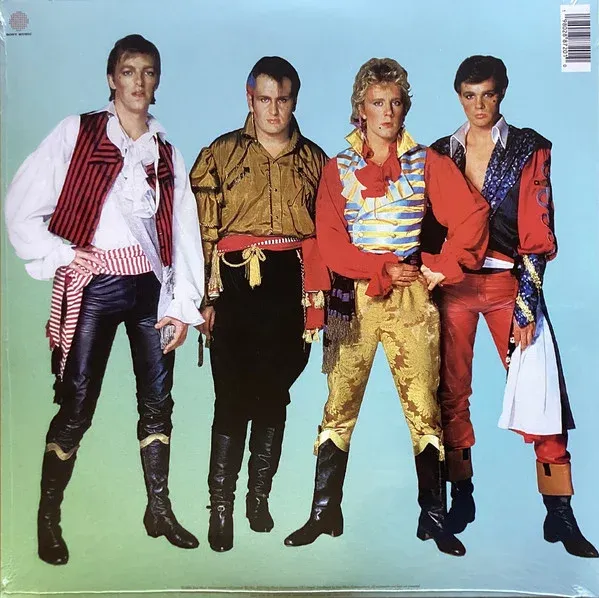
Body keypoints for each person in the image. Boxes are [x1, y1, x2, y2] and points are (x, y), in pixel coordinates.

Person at [4, 34, 205, 565]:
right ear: (112, 78)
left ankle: (158, 510)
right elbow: (21, 206)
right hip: (94, 285)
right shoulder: (79, 132)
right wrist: (62, 254)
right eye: (129, 70)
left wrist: (180, 304)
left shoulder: (166, 151)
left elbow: (184, 232)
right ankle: (48, 517)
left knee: (158, 401)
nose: (139, 81)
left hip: (150, 288)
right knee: (76, 404)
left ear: (157, 81)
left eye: (148, 71)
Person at [283, 58, 490, 556]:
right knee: (339, 405)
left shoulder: (426, 162)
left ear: (405, 107)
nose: (388, 112)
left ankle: (433, 518)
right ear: (361, 108)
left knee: (424, 407)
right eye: (378, 102)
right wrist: (380, 268)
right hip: (353, 300)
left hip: (411, 300)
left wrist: (440, 266)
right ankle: (324, 512)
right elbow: (332, 243)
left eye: (396, 103)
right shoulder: (337, 167)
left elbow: (473, 214)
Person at [430, 55, 598, 558]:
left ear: (501, 93)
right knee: (449, 393)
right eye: (469, 96)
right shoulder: (439, 153)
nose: (479, 105)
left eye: (487, 94)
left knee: (542, 392)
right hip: (455, 287)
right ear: (459, 96)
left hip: (510, 285)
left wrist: (527, 304)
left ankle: (559, 512)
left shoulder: (529, 147)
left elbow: (538, 231)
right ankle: (461, 498)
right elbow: (430, 228)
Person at [190, 56, 329, 552]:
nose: (273, 110)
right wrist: (204, 297)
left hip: (291, 284)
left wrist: (322, 302)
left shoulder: (316, 160)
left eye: (283, 99)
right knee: (230, 395)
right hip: (233, 283)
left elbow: (329, 233)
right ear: (249, 98)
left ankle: (258, 497)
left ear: (295, 100)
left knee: (273, 394)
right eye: (264, 99)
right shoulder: (220, 154)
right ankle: (220, 506)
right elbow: (200, 231)